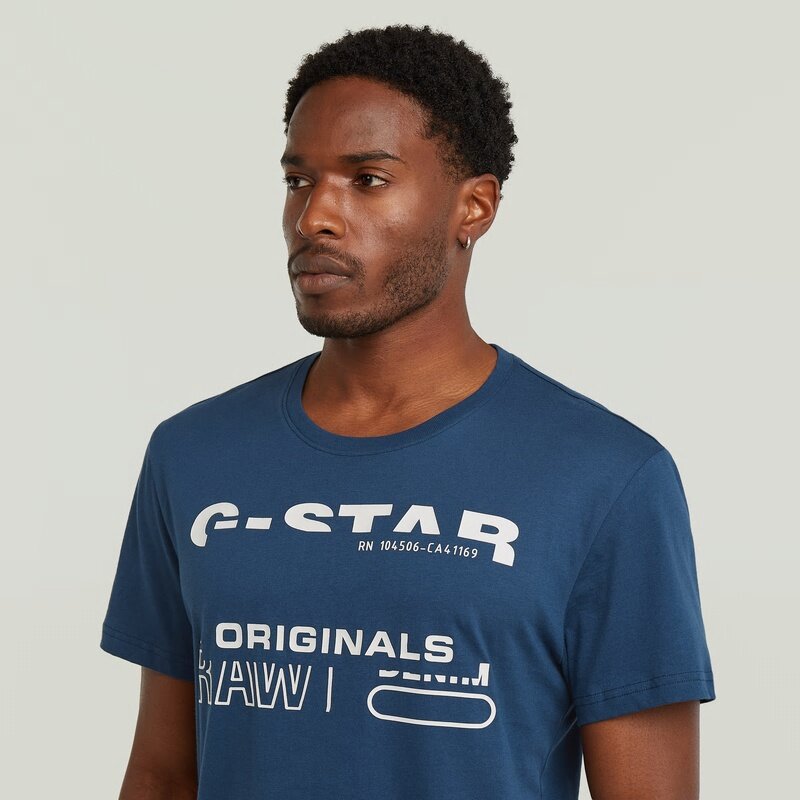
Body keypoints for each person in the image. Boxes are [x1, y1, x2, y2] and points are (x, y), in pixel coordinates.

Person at [100, 23, 716, 799]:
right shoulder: (193, 455)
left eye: (367, 179)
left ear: (474, 207)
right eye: (298, 180)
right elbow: (163, 774)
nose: (314, 217)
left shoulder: (607, 478)